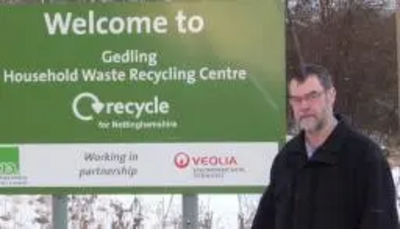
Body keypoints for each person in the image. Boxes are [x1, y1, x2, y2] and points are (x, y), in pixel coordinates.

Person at [251, 64, 399, 229]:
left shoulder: (365, 158)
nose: (304, 105)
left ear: (331, 96)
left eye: (312, 96)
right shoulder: (287, 159)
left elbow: (382, 223)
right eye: (297, 99)